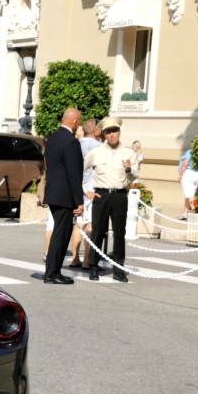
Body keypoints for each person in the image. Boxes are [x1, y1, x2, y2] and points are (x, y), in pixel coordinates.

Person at [83, 117, 139, 283]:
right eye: (108, 132)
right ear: (104, 134)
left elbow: (135, 175)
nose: (112, 135)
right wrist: (86, 192)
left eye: (114, 131)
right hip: (101, 195)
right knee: (98, 231)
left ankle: (119, 269)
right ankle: (93, 266)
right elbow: (79, 171)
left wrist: (129, 169)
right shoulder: (96, 152)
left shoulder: (129, 153)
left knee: (120, 233)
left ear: (119, 132)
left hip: (120, 195)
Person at [42, 108, 85, 285]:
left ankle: (51, 271)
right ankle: (53, 273)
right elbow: (74, 174)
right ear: (75, 122)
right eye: (79, 122)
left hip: (53, 192)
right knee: (62, 234)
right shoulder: (71, 142)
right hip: (65, 194)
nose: (79, 125)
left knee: (58, 233)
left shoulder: (52, 138)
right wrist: (79, 201)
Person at [70, 119, 101, 268]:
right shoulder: (100, 147)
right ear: (96, 131)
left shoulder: (76, 144)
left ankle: (75, 257)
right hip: (92, 189)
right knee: (91, 225)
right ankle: (87, 260)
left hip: (78, 188)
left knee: (79, 224)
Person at [177, 148, 198, 220]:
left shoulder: (190, 152)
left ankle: (195, 212)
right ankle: (185, 213)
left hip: (188, 173)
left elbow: (185, 163)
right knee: (190, 194)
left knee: (189, 195)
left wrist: (180, 174)